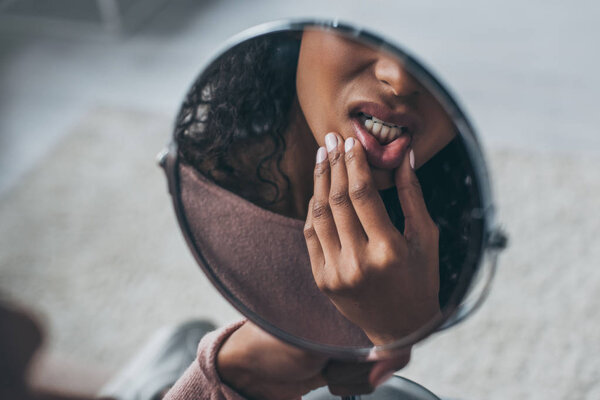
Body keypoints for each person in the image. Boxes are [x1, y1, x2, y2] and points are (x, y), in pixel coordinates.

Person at [169, 27, 483, 399]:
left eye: (448, 50)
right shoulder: (200, 189)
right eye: (359, 24)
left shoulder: (461, 233)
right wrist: (231, 371)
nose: (398, 78)